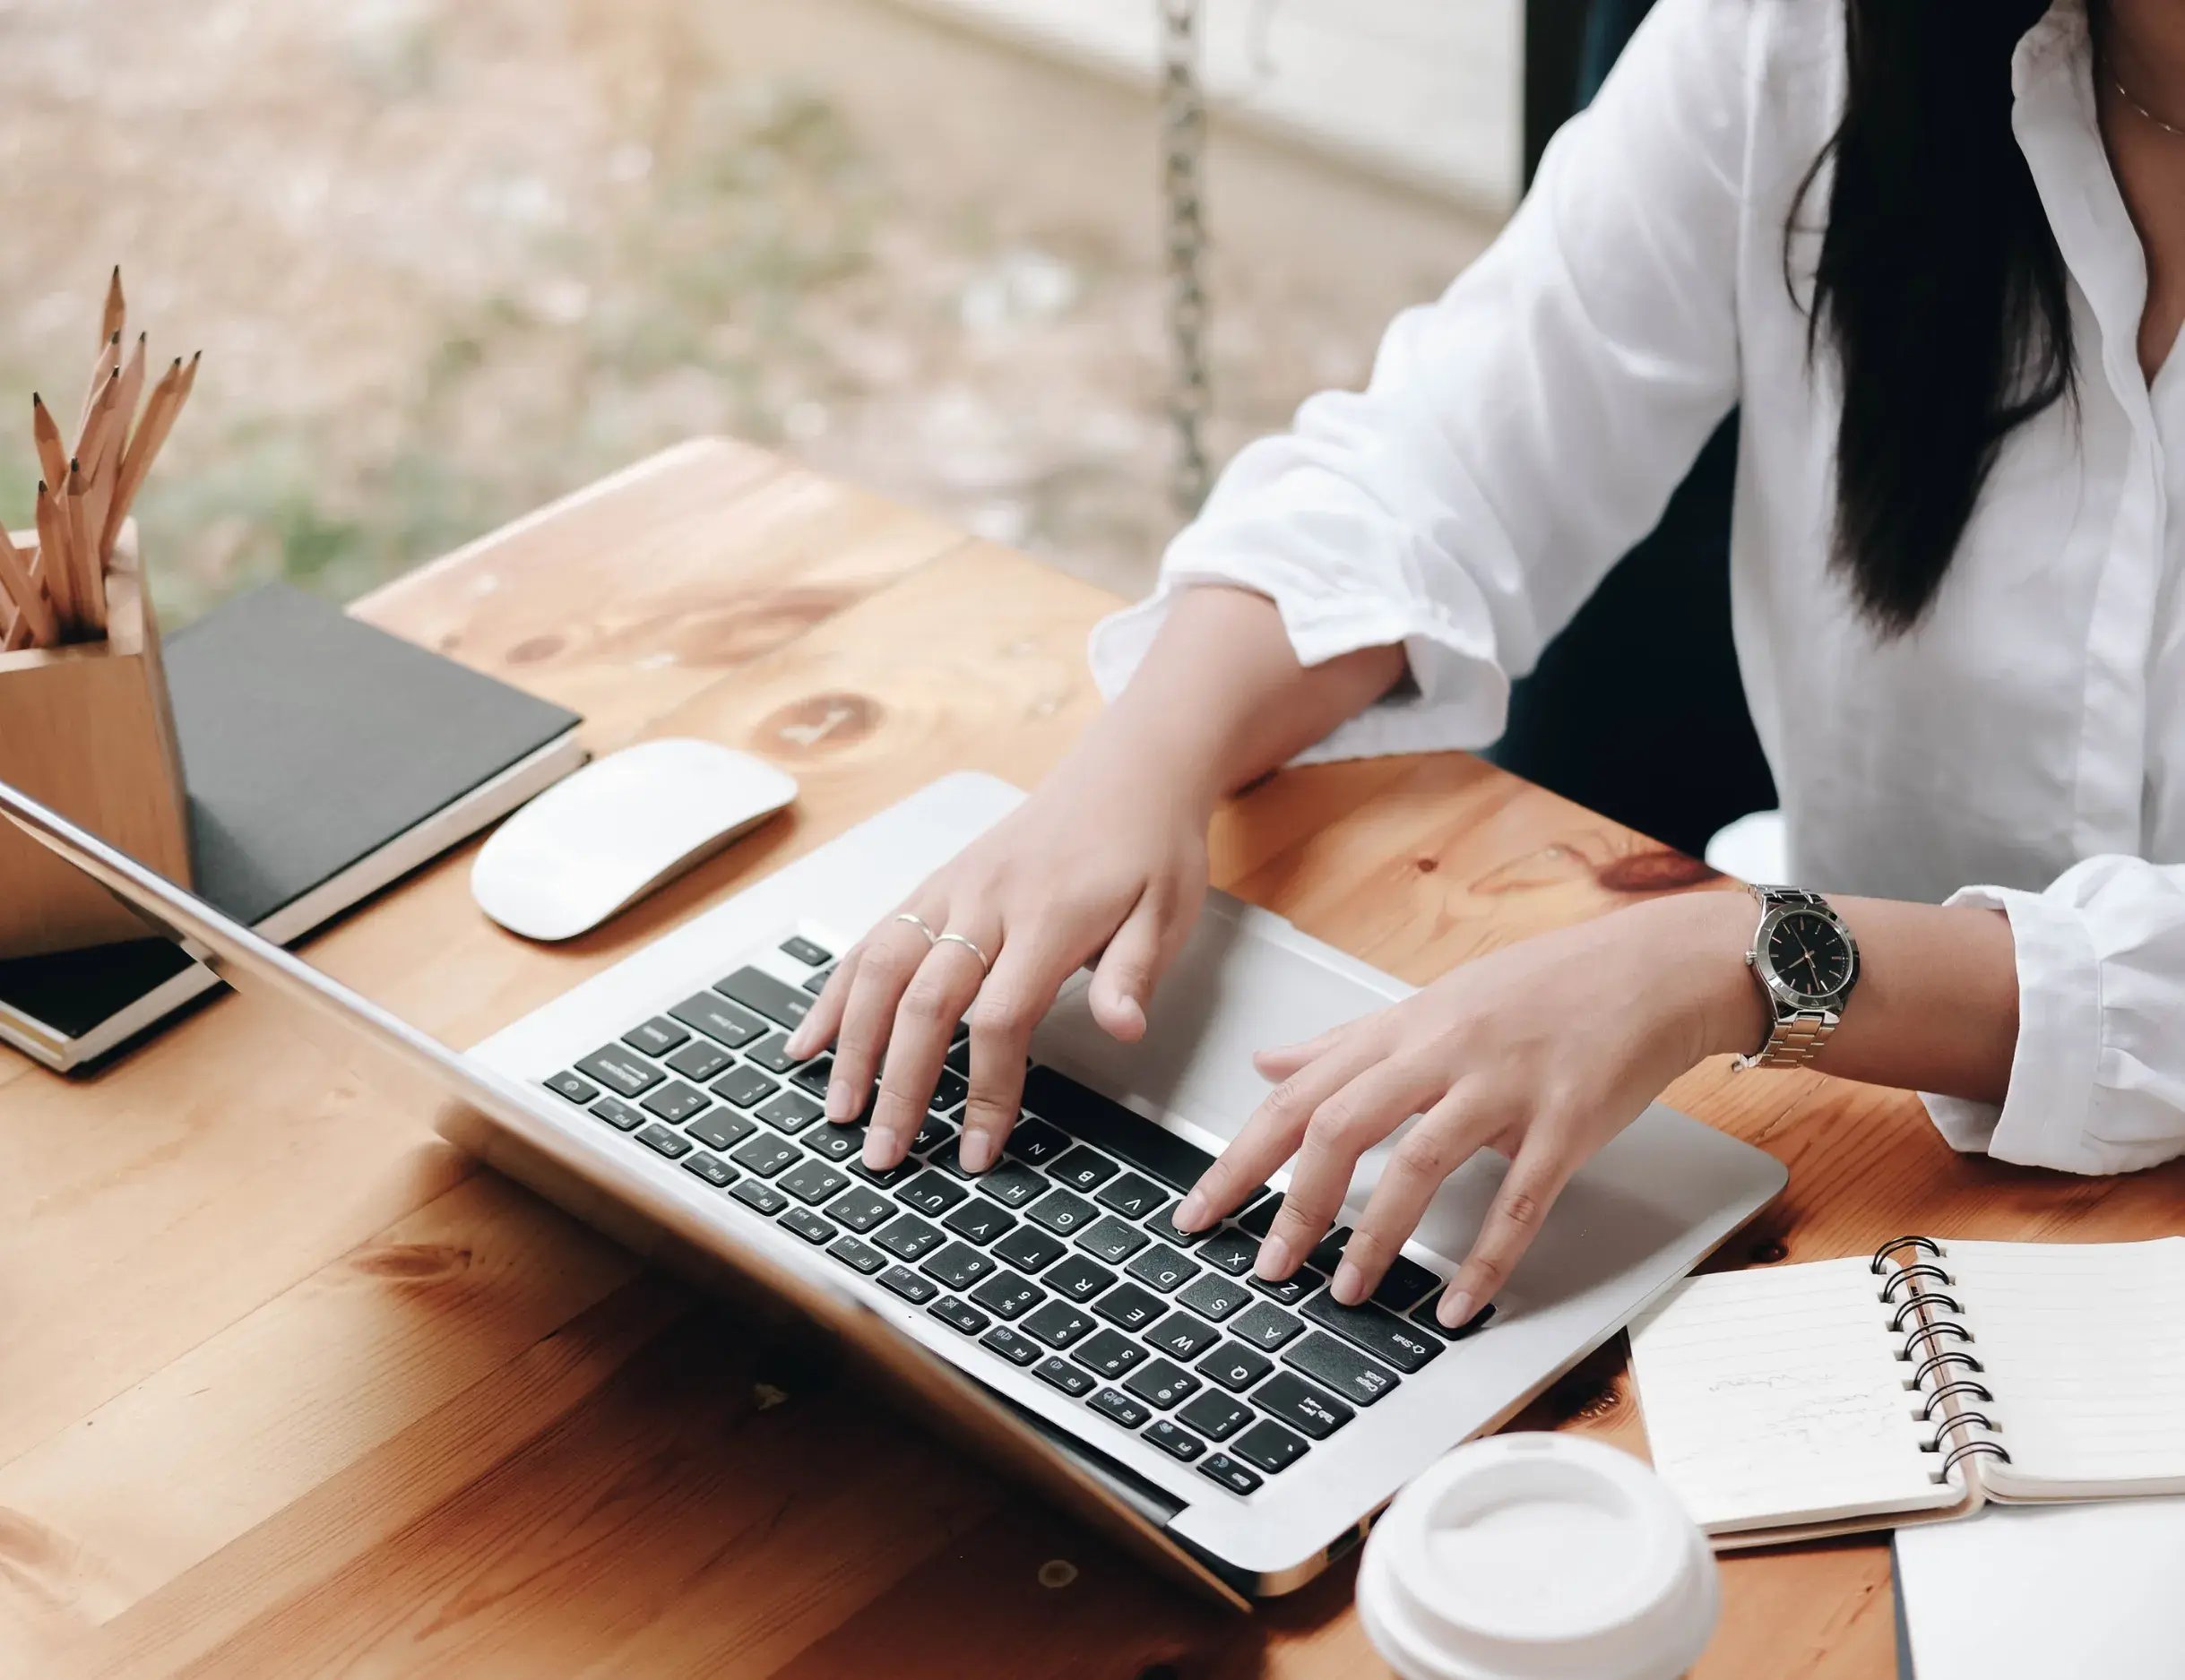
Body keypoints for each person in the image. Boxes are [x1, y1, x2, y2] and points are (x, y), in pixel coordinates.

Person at [784, 0, 2185, 1332]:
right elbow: (1442, 459)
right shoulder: (1810, 38)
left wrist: (1739, 957)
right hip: (1853, 1145)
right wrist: (1133, 766)